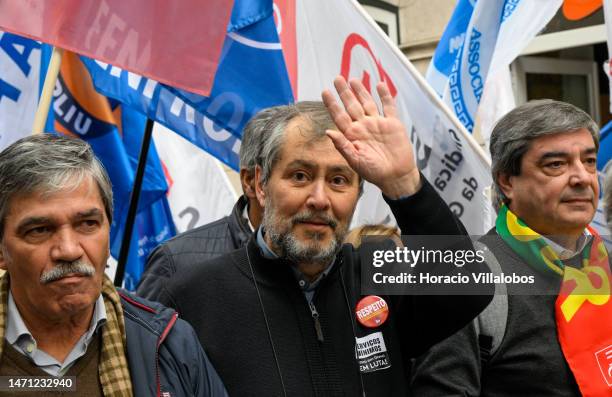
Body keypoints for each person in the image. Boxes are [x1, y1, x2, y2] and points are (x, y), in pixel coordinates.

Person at [157, 76, 492, 396]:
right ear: (260, 184)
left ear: (359, 193)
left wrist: (405, 183)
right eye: (300, 176)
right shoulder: (192, 297)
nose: (319, 199)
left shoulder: (383, 277)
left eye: (339, 180)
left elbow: (467, 287)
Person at [410, 100, 612, 396]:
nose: (582, 177)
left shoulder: (603, 261)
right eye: (556, 164)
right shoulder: (469, 280)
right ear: (506, 182)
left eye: (590, 161)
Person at [0, 135, 227, 396]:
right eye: (40, 230)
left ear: (109, 232)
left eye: (87, 224)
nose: (69, 250)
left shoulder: (169, 343)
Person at [136, 107, 276, 300]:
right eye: (299, 176)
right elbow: (144, 329)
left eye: (333, 179)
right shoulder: (177, 263)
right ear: (252, 181)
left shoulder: (327, 262)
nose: (319, 197)